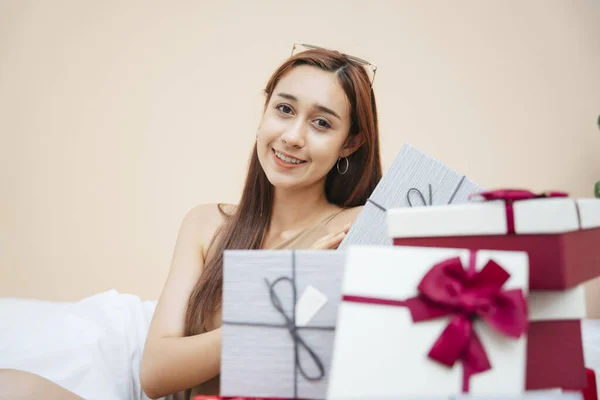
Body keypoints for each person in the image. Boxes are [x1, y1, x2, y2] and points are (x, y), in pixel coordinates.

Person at [0, 43, 382, 400]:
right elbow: (156, 373)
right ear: (265, 111)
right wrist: (269, 317)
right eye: (284, 109)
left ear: (350, 143)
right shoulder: (207, 224)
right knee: (12, 385)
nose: (293, 136)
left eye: (321, 123)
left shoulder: (359, 227)